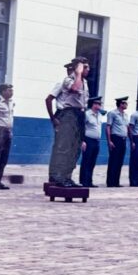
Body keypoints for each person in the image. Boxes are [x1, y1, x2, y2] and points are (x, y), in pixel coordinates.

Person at [49, 58, 89, 187]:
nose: (87, 70)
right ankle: (59, 177)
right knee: (64, 147)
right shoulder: (69, 80)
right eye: (85, 67)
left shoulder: (85, 82)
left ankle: (67, 176)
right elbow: (75, 88)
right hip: (68, 114)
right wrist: (78, 73)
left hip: (79, 114)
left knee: (75, 148)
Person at [79, 96, 104, 187]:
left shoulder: (100, 115)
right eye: (97, 104)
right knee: (86, 161)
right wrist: (82, 141)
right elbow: (81, 128)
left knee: (92, 162)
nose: (99, 105)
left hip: (96, 141)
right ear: (93, 104)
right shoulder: (87, 114)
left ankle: (89, 181)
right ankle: (83, 181)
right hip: (88, 140)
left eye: (100, 104)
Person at [106, 96, 129, 187]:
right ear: (120, 104)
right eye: (125, 103)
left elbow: (127, 127)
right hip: (115, 138)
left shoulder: (126, 115)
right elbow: (108, 127)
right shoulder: (112, 113)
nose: (126, 105)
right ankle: (110, 182)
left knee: (120, 161)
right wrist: (109, 141)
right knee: (113, 161)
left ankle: (116, 181)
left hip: (123, 139)